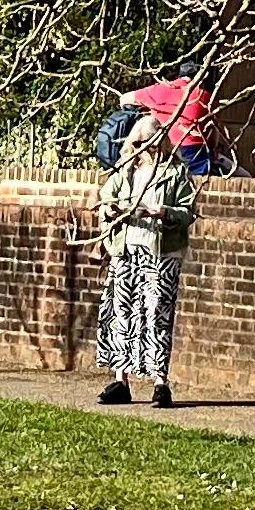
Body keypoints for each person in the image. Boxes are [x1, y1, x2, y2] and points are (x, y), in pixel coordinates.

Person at [92, 109, 198, 405]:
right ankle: (120, 381)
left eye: (148, 143)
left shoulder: (176, 173)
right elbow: (105, 200)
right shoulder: (125, 171)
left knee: (157, 313)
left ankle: (160, 382)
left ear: (160, 142)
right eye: (137, 143)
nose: (141, 149)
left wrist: (164, 213)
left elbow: (188, 212)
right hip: (126, 250)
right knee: (120, 313)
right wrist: (111, 210)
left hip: (162, 252)